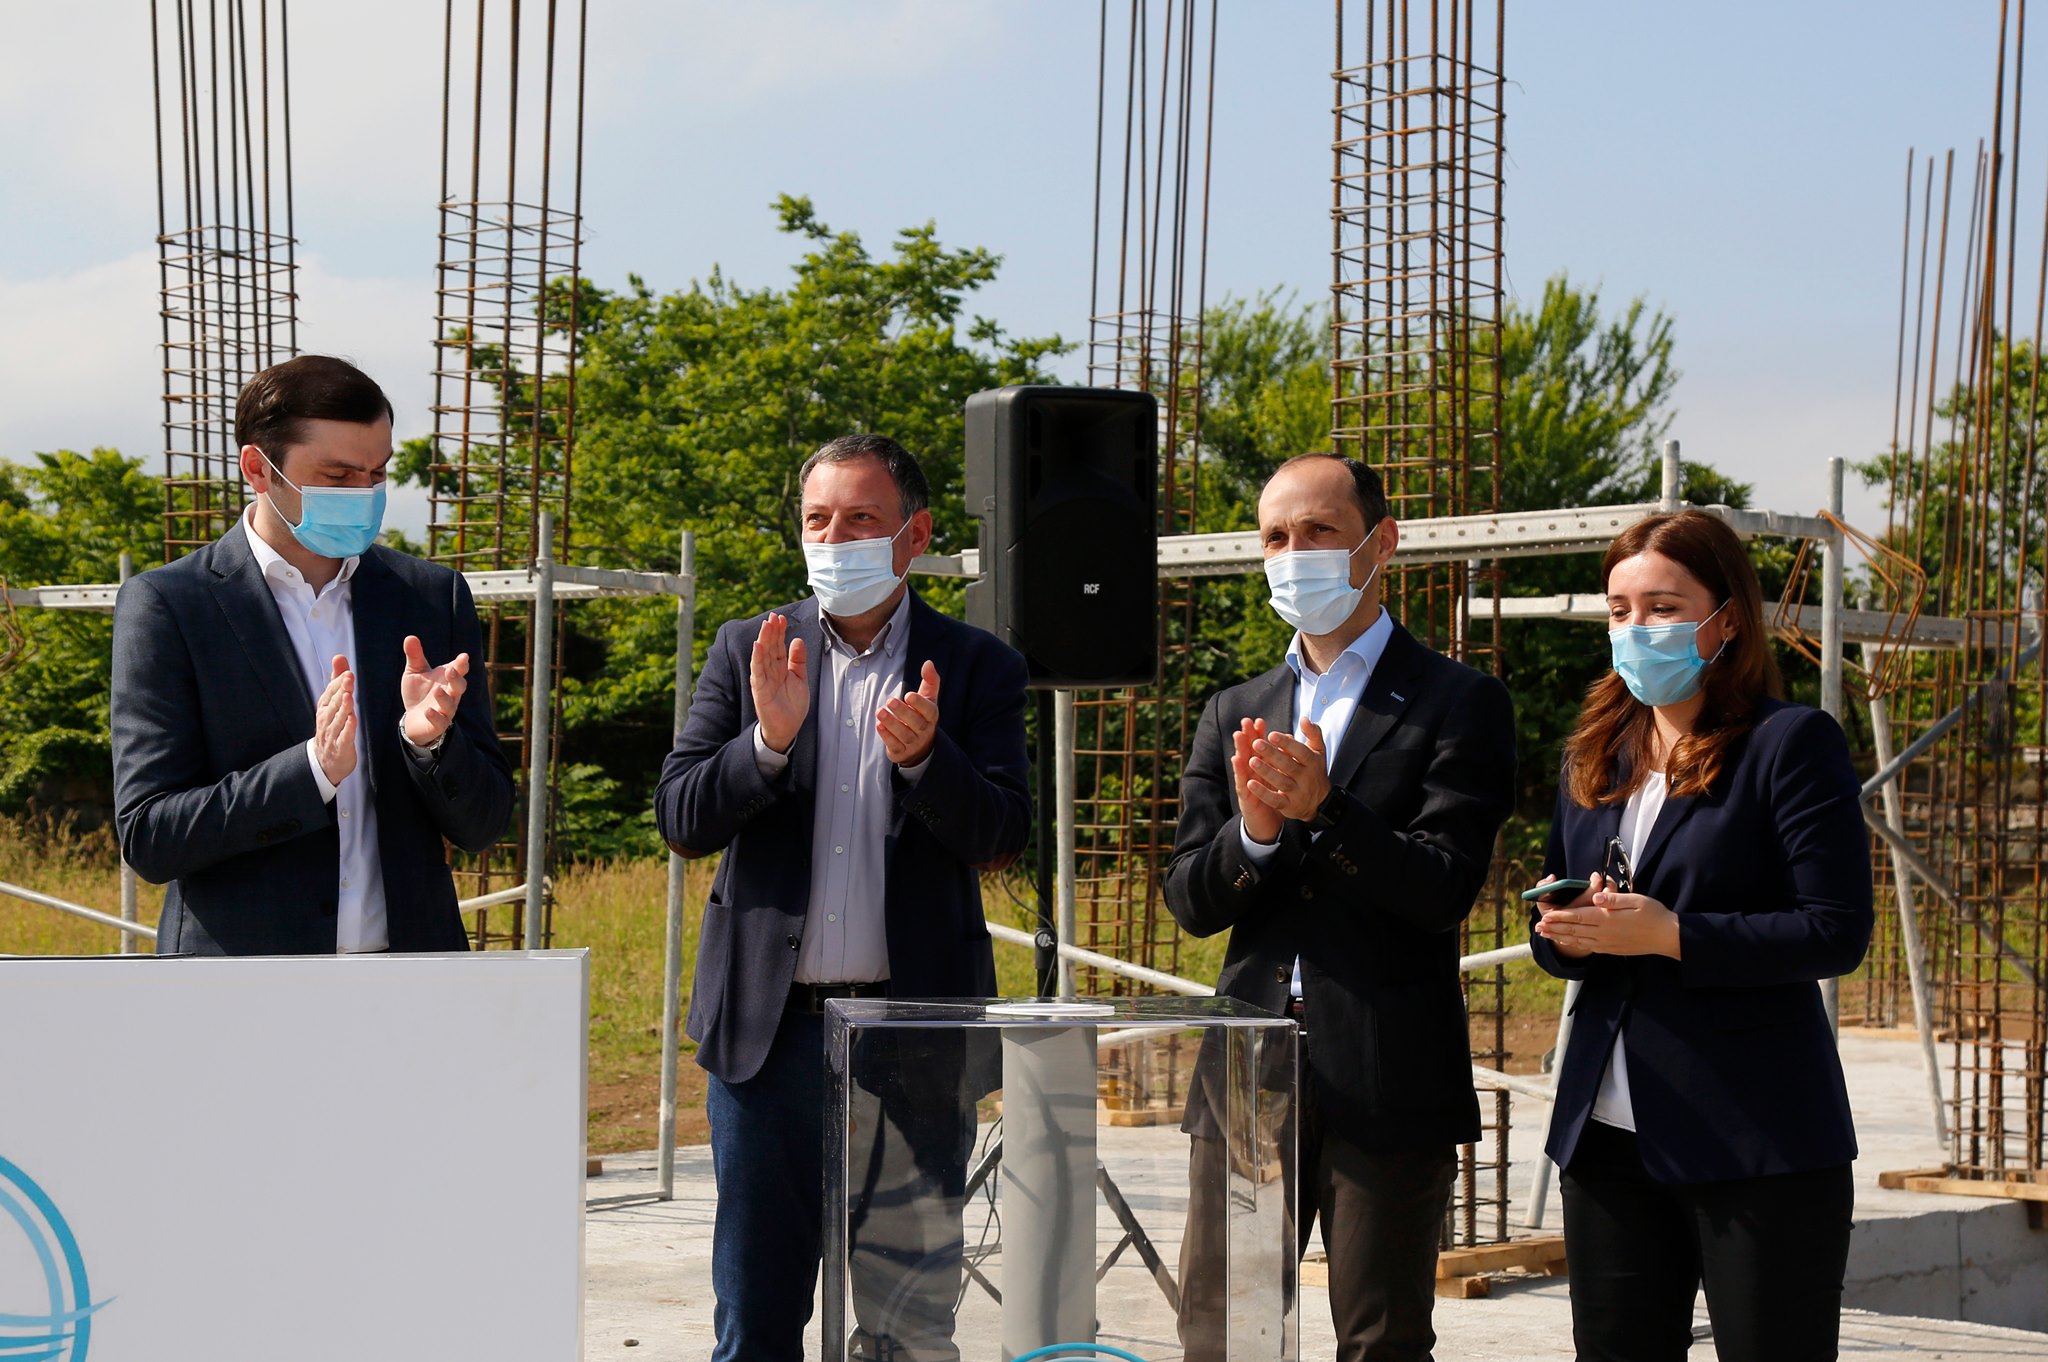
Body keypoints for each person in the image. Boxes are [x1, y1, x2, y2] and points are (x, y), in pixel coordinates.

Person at [653, 434, 1031, 1362]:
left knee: (910, 1326)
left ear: (915, 535)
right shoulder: (750, 648)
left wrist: (927, 760)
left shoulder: (976, 665)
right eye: (818, 520)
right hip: (770, 1039)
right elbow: (682, 817)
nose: (835, 539)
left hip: (915, 1038)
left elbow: (1003, 834)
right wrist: (767, 745)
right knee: (756, 1319)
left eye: (862, 519)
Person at [1165, 452, 1517, 1362]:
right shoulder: (1236, 709)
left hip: (1387, 1066)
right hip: (1249, 1066)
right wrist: (1253, 836)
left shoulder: (1457, 701)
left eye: (1319, 532)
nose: (1295, 555)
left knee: (1381, 1337)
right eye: (1276, 538)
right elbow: (1190, 900)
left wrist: (1328, 809)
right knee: (1224, 1331)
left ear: (1380, 543)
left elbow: (1443, 888)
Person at [1527, 509, 1872, 1362]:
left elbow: (1834, 931)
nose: (1636, 628)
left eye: (1664, 608)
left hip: (1754, 1136)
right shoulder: (1594, 754)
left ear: (1727, 620)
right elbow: (1551, 918)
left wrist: (1674, 935)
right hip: (1606, 1138)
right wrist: (1567, 934)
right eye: (1620, 610)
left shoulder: (1789, 744)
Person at [112, 355, 514, 955]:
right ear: (258, 468)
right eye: (338, 475)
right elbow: (151, 835)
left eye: (377, 473)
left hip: (413, 976)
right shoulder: (172, 605)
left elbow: (486, 824)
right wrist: (313, 771)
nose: (364, 493)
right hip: (242, 984)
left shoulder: (432, 597)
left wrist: (430, 747)